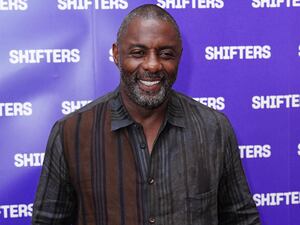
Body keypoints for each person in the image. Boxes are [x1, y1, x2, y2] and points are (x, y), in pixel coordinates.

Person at [32, 4, 260, 225]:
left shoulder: (214, 129)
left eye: (166, 53)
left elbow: (241, 218)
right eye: (138, 53)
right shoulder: (72, 132)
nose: (152, 65)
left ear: (179, 57)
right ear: (116, 54)